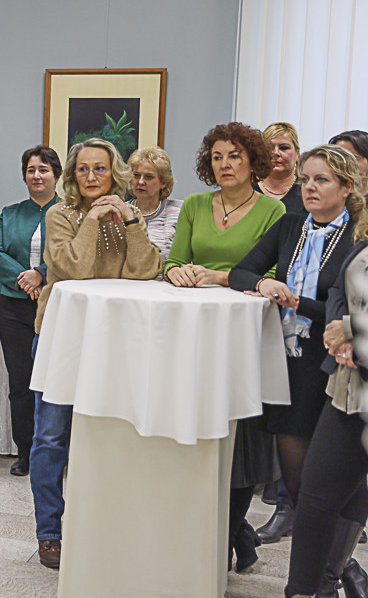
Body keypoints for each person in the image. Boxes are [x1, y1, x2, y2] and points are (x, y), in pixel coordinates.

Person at [230, 145, 362, 590]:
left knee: (337, 484)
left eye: (321, 180)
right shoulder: (290, 226)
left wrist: (295, 301)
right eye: (305, 179)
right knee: (302, 484)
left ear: (346, 187)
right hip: (288, 362)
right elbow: (240, 272)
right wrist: (265, 281)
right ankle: (337, 570)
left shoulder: (358, 237)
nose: (309, 187)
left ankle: (327, 574)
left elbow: (346, 315)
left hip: (334, 368)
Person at [29, 138, 162, 569]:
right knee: (51, 438)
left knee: (108, 437)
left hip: (112, 341)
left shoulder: (127, 215)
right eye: (83, 169)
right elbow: (72, 268)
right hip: (60, 338)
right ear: (72, 175)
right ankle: (49, 532)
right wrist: (90, 220)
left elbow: (146, 270)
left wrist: (131, 221)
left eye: (99, 169)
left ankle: (100, 528)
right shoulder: (59, 214)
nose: (91, 177)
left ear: (114, 173)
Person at [165, 121, 285, 573]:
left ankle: (228, 536)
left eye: (234, 155)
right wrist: (176, 272)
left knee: (239, 436)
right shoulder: (196, 205)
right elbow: (176, 259)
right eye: (217, 157)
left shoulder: (273, 211)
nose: (225, 164)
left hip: (244, 334)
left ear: (253, 161)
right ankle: (239, 537)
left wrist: (219, 276)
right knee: (195, 433)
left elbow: (272, 273)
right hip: (193, 330)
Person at [284, 226, 368, 597]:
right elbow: (338, 287)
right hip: (349, 387)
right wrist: (339, 331)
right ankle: (310, 590)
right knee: (316, 499)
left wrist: (352, 329)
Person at [0, 145, 61, 477]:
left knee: (53, 384)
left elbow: (73, 255)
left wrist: (41, 274)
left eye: (43, 169)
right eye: (31, 170)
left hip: (55, 308)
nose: (37, 175)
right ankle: (25, 452)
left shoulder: (70, 213)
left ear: (56, 175)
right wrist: (26, 279)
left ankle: (54, 454)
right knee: (21, 383)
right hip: (13, 309)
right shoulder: (11, 213)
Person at [125, 146, 183, 273]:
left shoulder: (180, 211)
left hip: (167, 282)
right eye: (136, 175)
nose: (140, 182)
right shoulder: (121, 212)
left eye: (148, 177)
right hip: (127, 281)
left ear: (163, 182)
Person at [256, 121, 305, 214]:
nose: (276, 153)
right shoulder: (247, 192)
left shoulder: (307, 192)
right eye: (269, 148)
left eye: (284, 148)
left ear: (297, 154)